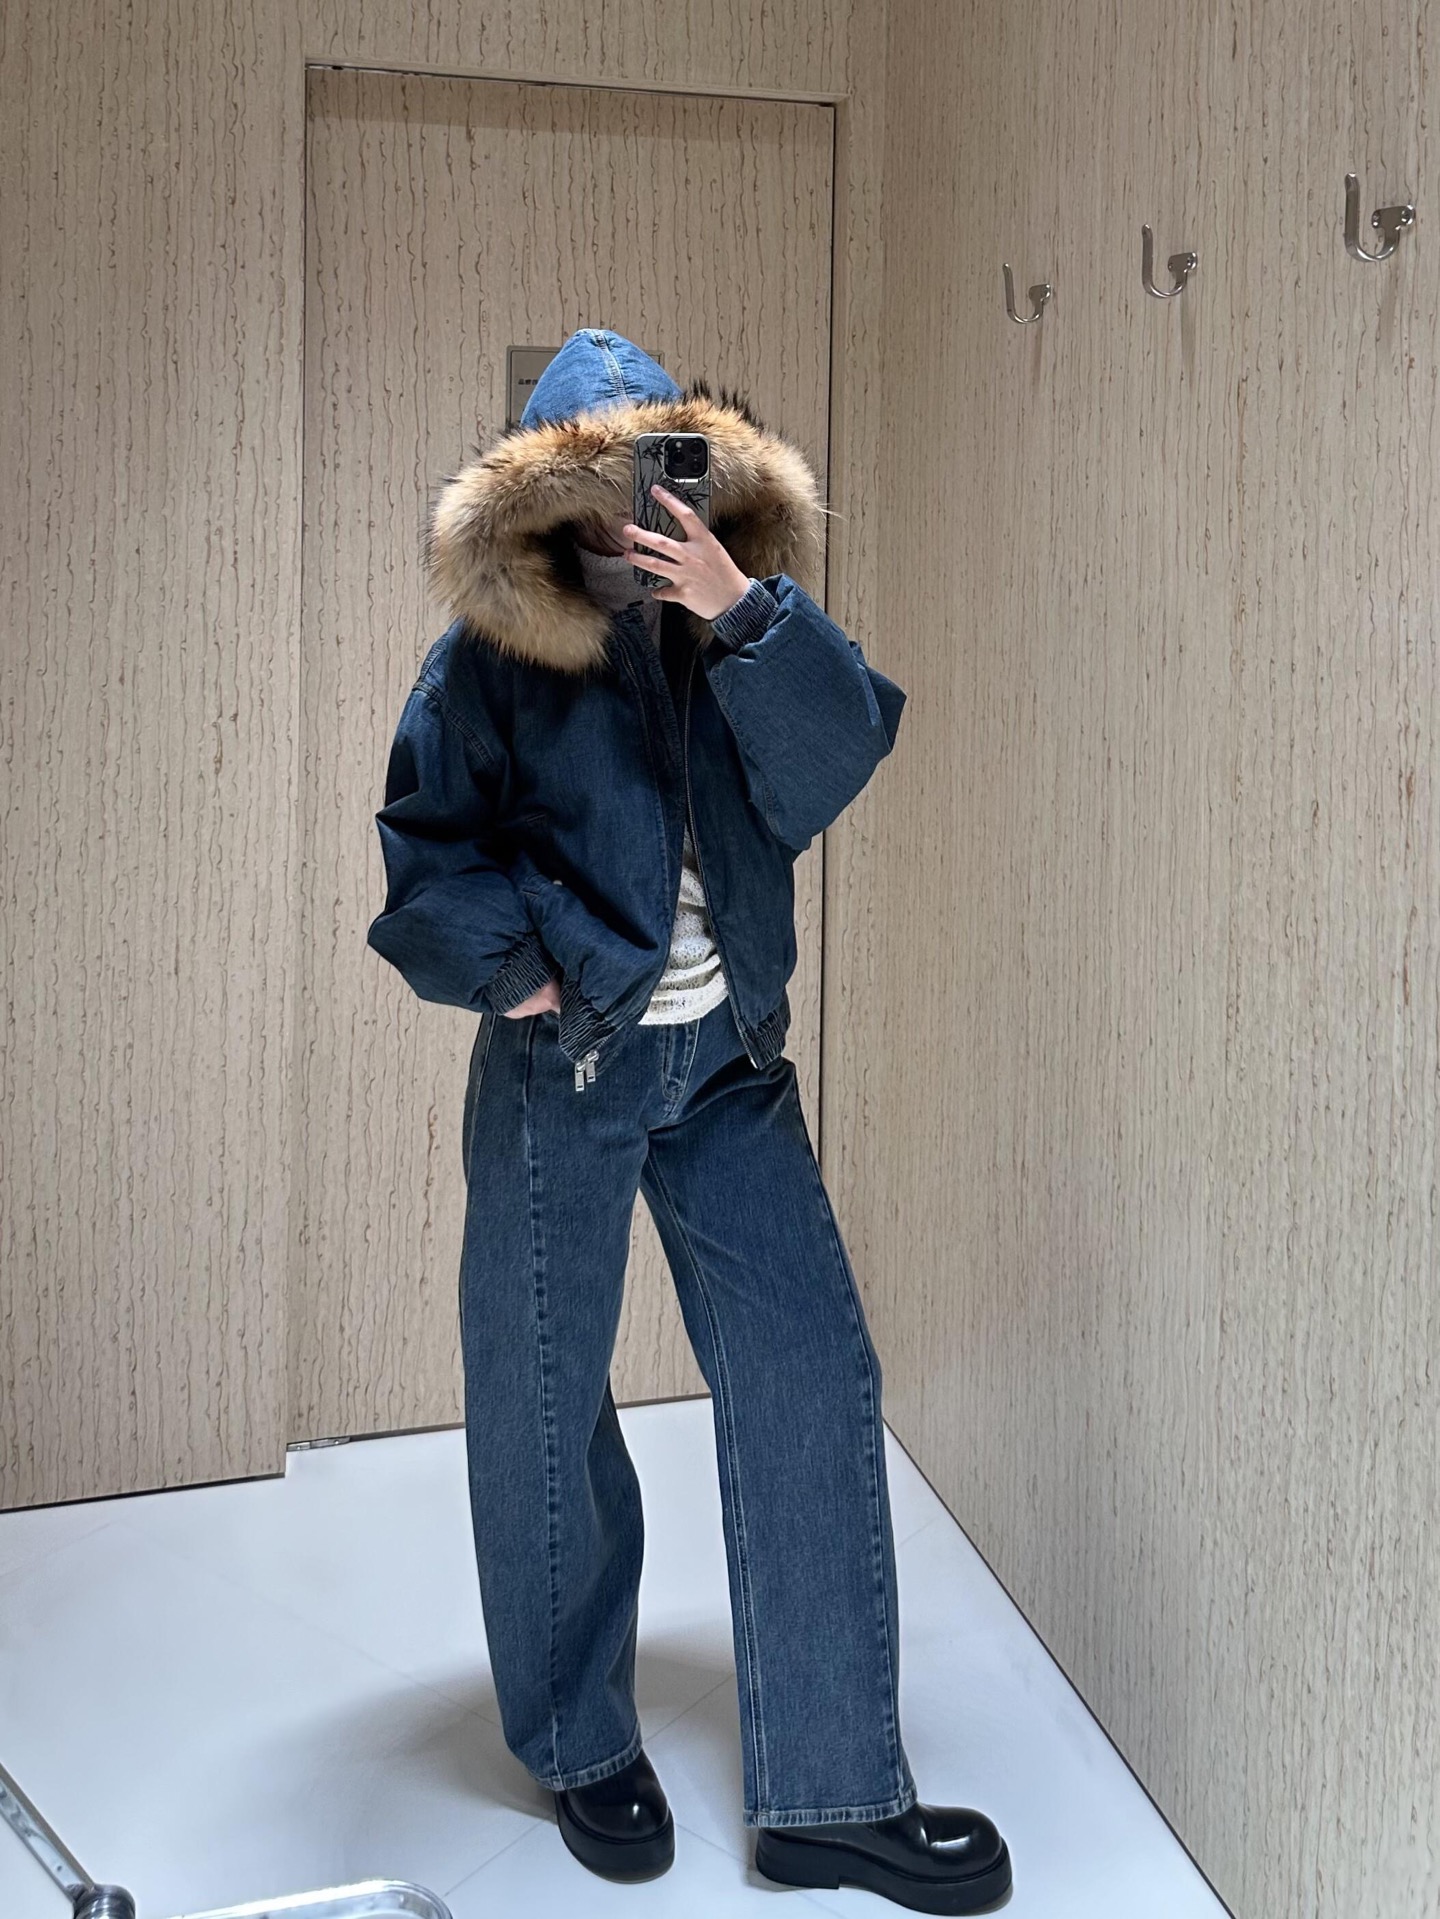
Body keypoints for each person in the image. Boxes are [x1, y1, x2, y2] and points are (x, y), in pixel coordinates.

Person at [366, 328, 1013, 1913]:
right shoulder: (494, 655)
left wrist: (741, 611)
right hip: (568, 1069)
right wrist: (522, 974)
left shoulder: (734, 618)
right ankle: (580, 1741)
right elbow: (426, 852)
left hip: (730, 1065)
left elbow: (835, 760)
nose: (628, 507)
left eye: (658, 470)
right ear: (542, 501)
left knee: (810, 1375)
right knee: (544, 1406)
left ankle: (832, 1795)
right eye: (592, 484)